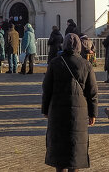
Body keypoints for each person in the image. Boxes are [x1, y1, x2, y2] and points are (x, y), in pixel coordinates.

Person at [42, 33, 98, 172]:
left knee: (59, 152)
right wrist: (93, 113)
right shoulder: (86, 65)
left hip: (57, 111)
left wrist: (45, 109)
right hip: (78, 113)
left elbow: (46, 89)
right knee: (75, 150)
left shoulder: (55, 63)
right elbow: (92, 92)